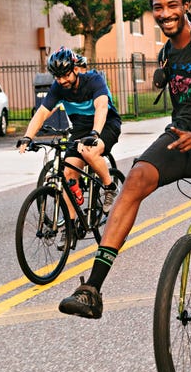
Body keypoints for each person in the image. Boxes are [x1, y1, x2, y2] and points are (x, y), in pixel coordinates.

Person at [57, 0, 191, 319]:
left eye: (172, 5)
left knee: (159, 169)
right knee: (134, 179)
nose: (164, 13)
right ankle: (92, 290)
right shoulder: (166, 53)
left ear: (187, 6)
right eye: (158, 8)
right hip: (181, 138)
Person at [18, 47, 122, 235]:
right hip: (81, 129)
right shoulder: (58, 88)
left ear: (75, 69)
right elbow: (42, 112)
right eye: (58, 77)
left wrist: (96, 133)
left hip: (106, 125)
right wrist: (28, 136)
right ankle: (71, 225)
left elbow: (101, 108)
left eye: (65, 75)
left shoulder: (94, 80)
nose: (62, 81)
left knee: (88, 152)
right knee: (68, 172)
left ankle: (109, 186)